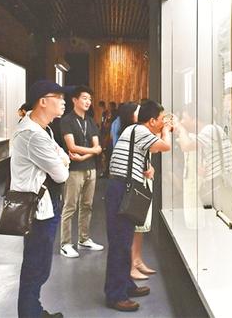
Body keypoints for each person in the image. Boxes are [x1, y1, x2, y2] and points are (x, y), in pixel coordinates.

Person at [104, 100, 173, 312]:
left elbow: (146, 152)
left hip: (121, 188)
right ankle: (116, 295)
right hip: (121, 190)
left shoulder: (135, 131)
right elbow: (165, 146)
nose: (162, 123)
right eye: (161, 120)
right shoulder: (140, 130)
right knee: (120, 243)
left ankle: (125, 285)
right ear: (151, 121)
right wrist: (167, 131)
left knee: (124, 241)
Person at [10, 80, 70, 318]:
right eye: (59, 97)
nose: (63, 102)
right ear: (43, 101)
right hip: (38, 209)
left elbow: (63, 155)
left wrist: (61, 159)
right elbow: (61, 173)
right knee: (35, 266)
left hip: (47, 205)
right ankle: (29, 313)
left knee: (40, 264)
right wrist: (61, 161)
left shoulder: (44, 129)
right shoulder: (32, 134)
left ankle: (34, 310)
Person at [58, 85, 104, 257]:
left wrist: (84, 156)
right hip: (74, 170)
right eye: (84, 98)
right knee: (70, 206)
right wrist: (93, 151)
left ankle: (84, 239)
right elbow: (71, 146)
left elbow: (98, 147)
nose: (88, 102)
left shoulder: (90, 121)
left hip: (90, 168)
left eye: (90, 99)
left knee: (87, 205)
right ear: (74, 100)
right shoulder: (67, 120)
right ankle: (65, 243)